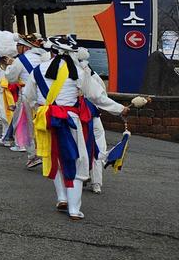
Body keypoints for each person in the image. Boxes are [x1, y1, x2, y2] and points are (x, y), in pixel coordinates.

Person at [23, 36, 128, 220]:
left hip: (45, 120)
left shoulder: (37, 71)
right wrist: (120, 109)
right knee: (78, 160)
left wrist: (39, 109)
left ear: (52, 52)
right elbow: (97, 97)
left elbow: (27, 97)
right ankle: (74, 209)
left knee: (53, 156)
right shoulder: (78, 72)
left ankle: (62, 197)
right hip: (69, 120)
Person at [5, 34, 51, 168]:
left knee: (26, 126)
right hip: (45, 96)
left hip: (27, 96)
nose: (16, 48)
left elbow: (11, 78)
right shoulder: (45, 58)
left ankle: (33, 155)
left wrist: (9, 66)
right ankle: (48, 153)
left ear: (25, 46)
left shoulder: (20, 60)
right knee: (45, 125)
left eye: (18, 45)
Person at [73, 47, 109, 194]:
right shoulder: (94, 76)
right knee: (98, 147)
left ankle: (81, 176)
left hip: (78, 116)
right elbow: (103, 96)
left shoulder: (71, 75)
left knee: (79, 147)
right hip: (94, 115)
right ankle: (97, 182)